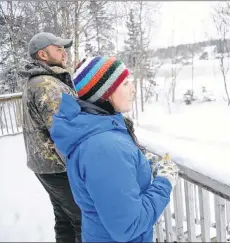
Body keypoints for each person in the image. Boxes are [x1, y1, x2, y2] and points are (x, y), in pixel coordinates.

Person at [49, 56, 179, 242]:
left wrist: (139, 159)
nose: (133, 89)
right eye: (125, 84)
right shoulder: (103, 148)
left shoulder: (100, 130)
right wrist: (165, 181)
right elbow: (128, 226)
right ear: (104, 93)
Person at [20, 32, 81, 242]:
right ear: (43, 55)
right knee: (82, 218)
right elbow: (64, 132)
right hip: (58, 166)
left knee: (64, 217)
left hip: (45, 166)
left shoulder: (38, 81)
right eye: (58, 48)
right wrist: (81, 166)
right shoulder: (47, 85)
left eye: (64, 48)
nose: (63, 52)